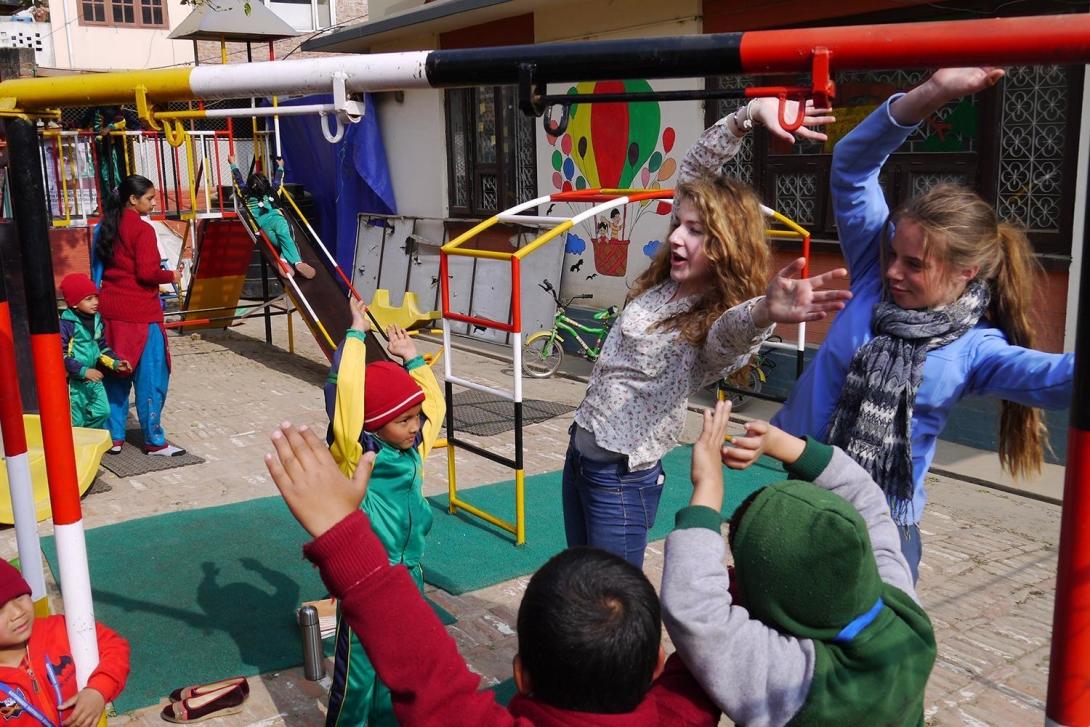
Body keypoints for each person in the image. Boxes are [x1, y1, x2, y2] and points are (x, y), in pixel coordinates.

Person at [767, 68, 1075, 581]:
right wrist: (931, 94)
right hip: (793, 491)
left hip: (878, 526)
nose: (893, 271)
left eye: (914, 265)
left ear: (965, 272)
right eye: (893, 253)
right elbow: (850, 167)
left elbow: (1058, 379)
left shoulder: (977, 350)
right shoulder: (872, 275)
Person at [264, 422, 722, 726]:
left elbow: (422, 663)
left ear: (520, 676)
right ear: (657, 667)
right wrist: (707, 492)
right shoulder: (684, 713)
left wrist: (344, 534)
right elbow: (714, 638)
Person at [564, 97, 851, 567]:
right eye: (681, 224)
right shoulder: (663, 284)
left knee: (612, 601)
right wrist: (748, 115)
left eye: (696, 231)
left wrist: (764, 311)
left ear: (725, 246)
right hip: (580, 456)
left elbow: (729, 336)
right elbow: (696, 169)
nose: (677, 236)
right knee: (578, 580)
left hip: (620, 479)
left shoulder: (712, 320)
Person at [660, 401, 936, 726]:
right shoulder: (901, 609)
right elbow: (866, 497)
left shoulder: (799, 681)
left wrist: (708, 486)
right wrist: (779, 443)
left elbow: (696, 610)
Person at [321, 298, 443, 727]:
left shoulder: (413, 451)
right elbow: (349, 402)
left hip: (409, 577)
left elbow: (435, 407)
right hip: (367, 581)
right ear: (375, 424)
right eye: (404, 420)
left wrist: (412, 360)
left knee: (402, 666)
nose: (415, 427)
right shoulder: (360, 453)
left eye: (415, 418)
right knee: (358, 674)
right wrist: (355, 334)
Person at [95, 174, 186, 457]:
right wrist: (171, 274)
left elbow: (97, 270)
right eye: (149, 198)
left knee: (115, 375)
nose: (154, 202)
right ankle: (154, 440)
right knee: (151, 378)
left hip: (111, 311)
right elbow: (147, 273)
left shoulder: (104, 227)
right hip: (141, 315)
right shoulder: (143, 230)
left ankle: (115, 437)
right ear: (133, 199)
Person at [0, 559, 130, 727]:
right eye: (0, 609)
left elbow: (115, 646)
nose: (17, 612)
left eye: (19, 596)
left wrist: (98, 690)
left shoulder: (59, 629)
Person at [59, 273, 132, 429]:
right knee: (76, 422)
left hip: (94, 379)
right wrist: (83, 371)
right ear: (73, 303)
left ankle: (86, 437)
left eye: (96, 297)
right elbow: (61, 354)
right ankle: (79, 446)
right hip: (74, 383)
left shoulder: (97, 319)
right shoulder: (66, 324)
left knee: (103, 411)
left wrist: (116, 363)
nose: (95, 302)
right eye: (89, 299)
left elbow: (101, 346)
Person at [228, 155, 316, 280]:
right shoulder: (272, 192)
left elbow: (238, 180)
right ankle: (296, 262)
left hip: (262, 229)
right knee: (288, 237)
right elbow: (278, 180)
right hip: (278, 221)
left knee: (280, 242)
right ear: (265, 185)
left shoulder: (245, 195)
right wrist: (280, 166)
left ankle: (284, 261)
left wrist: (232, 164)